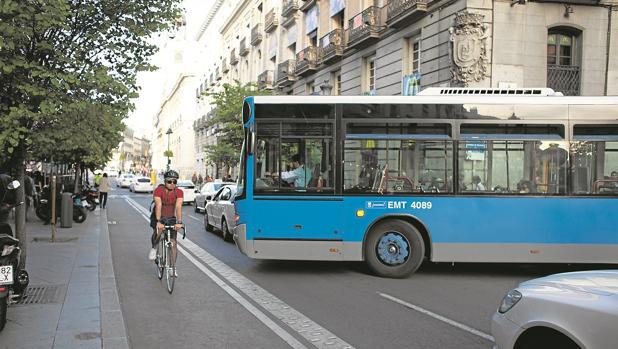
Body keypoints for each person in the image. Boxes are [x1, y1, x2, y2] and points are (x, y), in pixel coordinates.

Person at [148, 170, 183, 277]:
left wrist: (179, 222)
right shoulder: (159, 190)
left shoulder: (179, 192)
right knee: (158, 231)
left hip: (170, 218)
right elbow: (158, 205)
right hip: (158, 216)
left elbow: (178, 207)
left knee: (173, 242)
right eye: (169, 181)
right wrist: (158, 221)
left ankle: (172, 267)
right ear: (165, 181)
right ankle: (154, 247)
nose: (172, 184)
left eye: (174, 182)